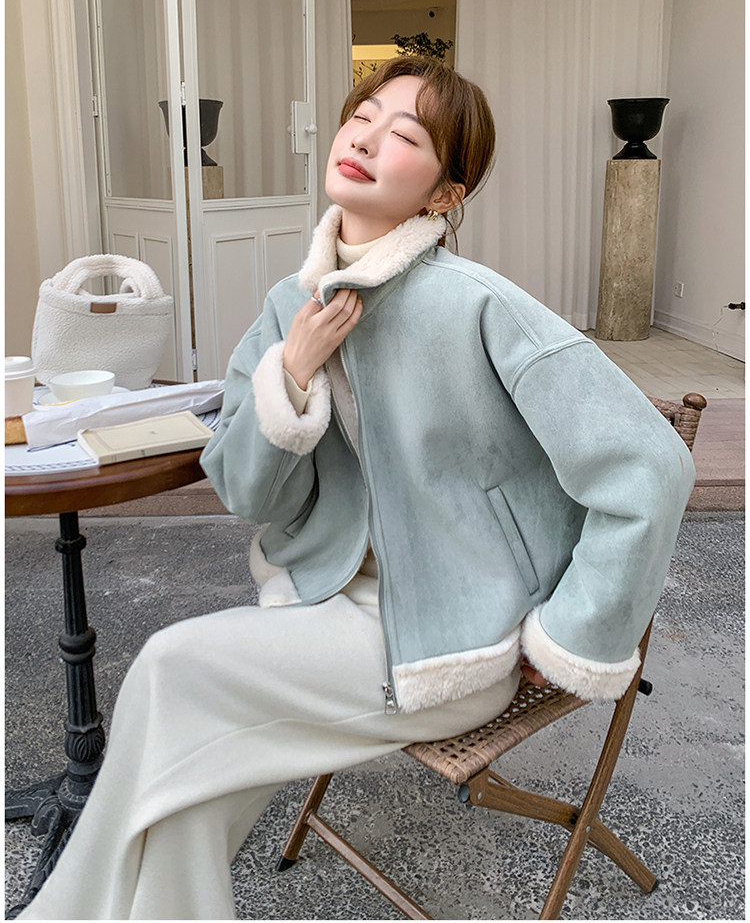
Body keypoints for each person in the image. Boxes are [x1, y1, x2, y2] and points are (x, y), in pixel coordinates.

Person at [18, 57, 695, 920]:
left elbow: (650, 467)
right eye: (362, 117)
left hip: (450, 642)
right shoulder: (287, 309)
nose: (367, 140)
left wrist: (568, 634)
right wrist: (291, 374)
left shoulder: (479, 306)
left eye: (405, 134)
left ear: (445, 194)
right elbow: (247, 494)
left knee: (170, 671)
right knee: (190, 775)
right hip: (321, 601)